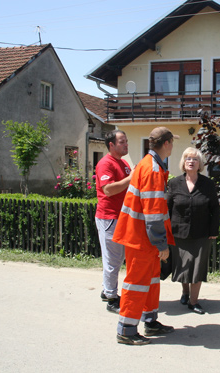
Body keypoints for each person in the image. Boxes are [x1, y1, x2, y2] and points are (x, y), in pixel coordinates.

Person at [112, 127, 178, 345]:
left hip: (141, 236)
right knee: (137, 282)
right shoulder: (153, 169)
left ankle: (150, 321)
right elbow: (153, 213)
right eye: (172, 142)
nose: (173, 146)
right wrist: (162, 245)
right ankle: (126, 330)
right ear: (166, 143)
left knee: (150, 281)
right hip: (141, 238)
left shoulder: (148, 164)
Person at [167, 147, 220, 315]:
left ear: (200, 164)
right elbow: (167, 208)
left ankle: (193, 302)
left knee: (197, 268)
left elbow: (215, 209)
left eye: (195, 159)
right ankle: (185, 292)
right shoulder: (174, 183)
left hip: (202, 233)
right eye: (188, 158)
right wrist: (165, 230)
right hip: (179, 233)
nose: (191, 161)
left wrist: (214, 230)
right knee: (183, 267)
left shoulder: (208, 184)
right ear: (184, 162)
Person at [94, 130, 133, 314]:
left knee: (118, 257)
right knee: (113, 260)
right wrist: (129, 179)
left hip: (121, 216)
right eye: (122, 142)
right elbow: (108, 189)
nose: (126, 145)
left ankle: (106, 290)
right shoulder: (105, 163)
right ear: (111, 145)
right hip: (109, 217)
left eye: (126, 141)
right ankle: (111, 298)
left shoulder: (123, 163)